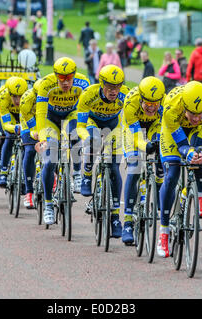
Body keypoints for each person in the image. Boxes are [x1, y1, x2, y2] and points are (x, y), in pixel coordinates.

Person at [157, 81, 202, 257]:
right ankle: (163, 232)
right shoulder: (171, 106)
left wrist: (199, 153)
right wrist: (188, 151)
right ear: (185, 106)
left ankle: (199, 195)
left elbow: (201, 143)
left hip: (195, 132)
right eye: (192, 113)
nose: (196, 117)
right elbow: (182, 145)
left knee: (199, 156)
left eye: (200, 114)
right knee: (172, 175)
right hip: (173, 131)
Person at [77, 65, 129, 238]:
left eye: (117, 86)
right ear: (101, 83)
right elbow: (80, 126)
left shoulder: (125, 95)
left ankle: (115, 218)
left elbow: (129, 124)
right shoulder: (89, 95)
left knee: (114, 169)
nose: (114, 91)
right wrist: (86, 138)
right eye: (109, 86)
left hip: (113, 125)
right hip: (92, 123)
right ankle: (86, 174)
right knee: (94, 140)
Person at [35, 57, 90, 225]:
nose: (65, 83)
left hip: (72, 114)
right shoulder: (46, 84)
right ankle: (48, 205)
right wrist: (43, 138)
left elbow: (87, 110)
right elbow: (40, 113)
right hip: (51, 118)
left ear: (74, 75)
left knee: (75, 134)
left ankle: (76, 173)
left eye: (69, 79)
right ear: (55, 76)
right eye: (61, 79)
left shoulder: (83, 83)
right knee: (50, 158)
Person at [121, 76, 166, 245]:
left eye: (155, 104)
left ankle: (160, 185)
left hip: (154, 126)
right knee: (134, 168)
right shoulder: (130, 102)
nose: (152, 107)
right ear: (141, 98)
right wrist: (144, 145)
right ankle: (127, 222)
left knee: (163, 151)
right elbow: (135, 135)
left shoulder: (164, 105)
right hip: (133, 129)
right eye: (147, 103)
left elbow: (166, 132)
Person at [0, 77, 28, 190]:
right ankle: (3, 171)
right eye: (14, 96)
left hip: (21, 115)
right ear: (9, 94)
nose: (17, 100)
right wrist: (14, 127)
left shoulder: (28, 98)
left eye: (20, 96)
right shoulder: (3, 97)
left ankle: (24, 175)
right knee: (9, 136)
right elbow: (6, 124)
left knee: (27, 141)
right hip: (7, 116)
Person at [19, 79, 44, 208]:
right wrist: (34, 132)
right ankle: (28, 192)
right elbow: (30, 122)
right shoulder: (27, 99)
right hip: (27, 121)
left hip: (44, 120)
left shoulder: (52, 96)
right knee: (29, 150)